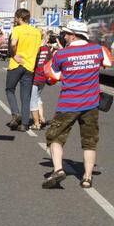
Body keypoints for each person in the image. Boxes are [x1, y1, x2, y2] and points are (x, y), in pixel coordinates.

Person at [42, 20, 112, 189]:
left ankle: (58, 169)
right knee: (90, 141)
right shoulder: (98, 50)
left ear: (73, 35)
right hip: (91, 104)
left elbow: (50, 74)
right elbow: (108, 62)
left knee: (54, 137)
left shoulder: (62, 54)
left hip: (68, 104)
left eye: (66, 33)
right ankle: (87, 178)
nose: (64, 36)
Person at [5, 8, 42, 131]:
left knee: (10, 89)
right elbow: (38, 50)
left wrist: (13, 54)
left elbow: (14, 43)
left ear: (19, 18)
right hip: (29, 65)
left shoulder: (17, 29)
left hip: (16, 64)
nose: (15, 20)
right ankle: (25, 124)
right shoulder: (37, 32)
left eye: (15, 17)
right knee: (26, 95)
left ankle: (16, 113)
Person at [30, 30, 54, 130]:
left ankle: (36, 123)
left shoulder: (34, 49)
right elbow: (50, 62)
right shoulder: (47, 49)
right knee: (38, 97)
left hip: (35, 77)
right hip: (43, 77)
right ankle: (42, 118)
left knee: (32, 100)